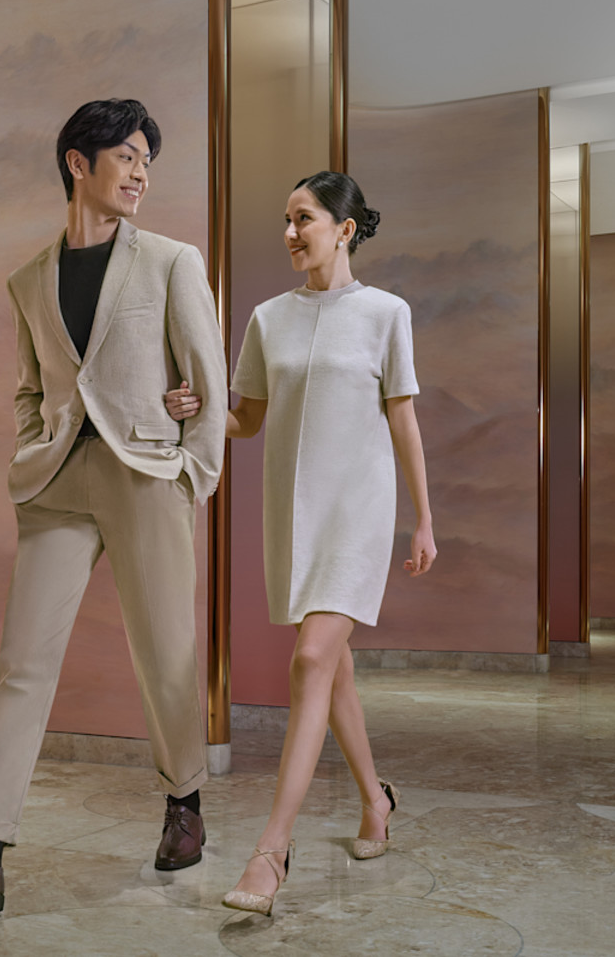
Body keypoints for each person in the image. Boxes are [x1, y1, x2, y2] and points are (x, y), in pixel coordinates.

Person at [0, 99, 228, 915]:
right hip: (56, 485)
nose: (142, 170)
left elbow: (210, 382)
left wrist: (194, 472)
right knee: (23, 662)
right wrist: (30, 450)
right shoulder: (27, 280)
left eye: (148, 157)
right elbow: (29, 386)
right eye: (126, 154)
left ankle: (184, 806)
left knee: (166, 654)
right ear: (78, 163)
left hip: (147, 474)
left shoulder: (171, 261)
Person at [164, 170, 435, 917]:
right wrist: (195, 408)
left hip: (360, 508)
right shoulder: (266, 319)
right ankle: (376, 801)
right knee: (332, 667)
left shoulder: (386, 313)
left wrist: (424, 518)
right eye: (285, 219)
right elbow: (245, 419)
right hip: (292, 510)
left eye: (305, 218)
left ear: (344, 228)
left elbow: (404, 421)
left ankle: (271, 852)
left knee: (312, 658)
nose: (291, 232)